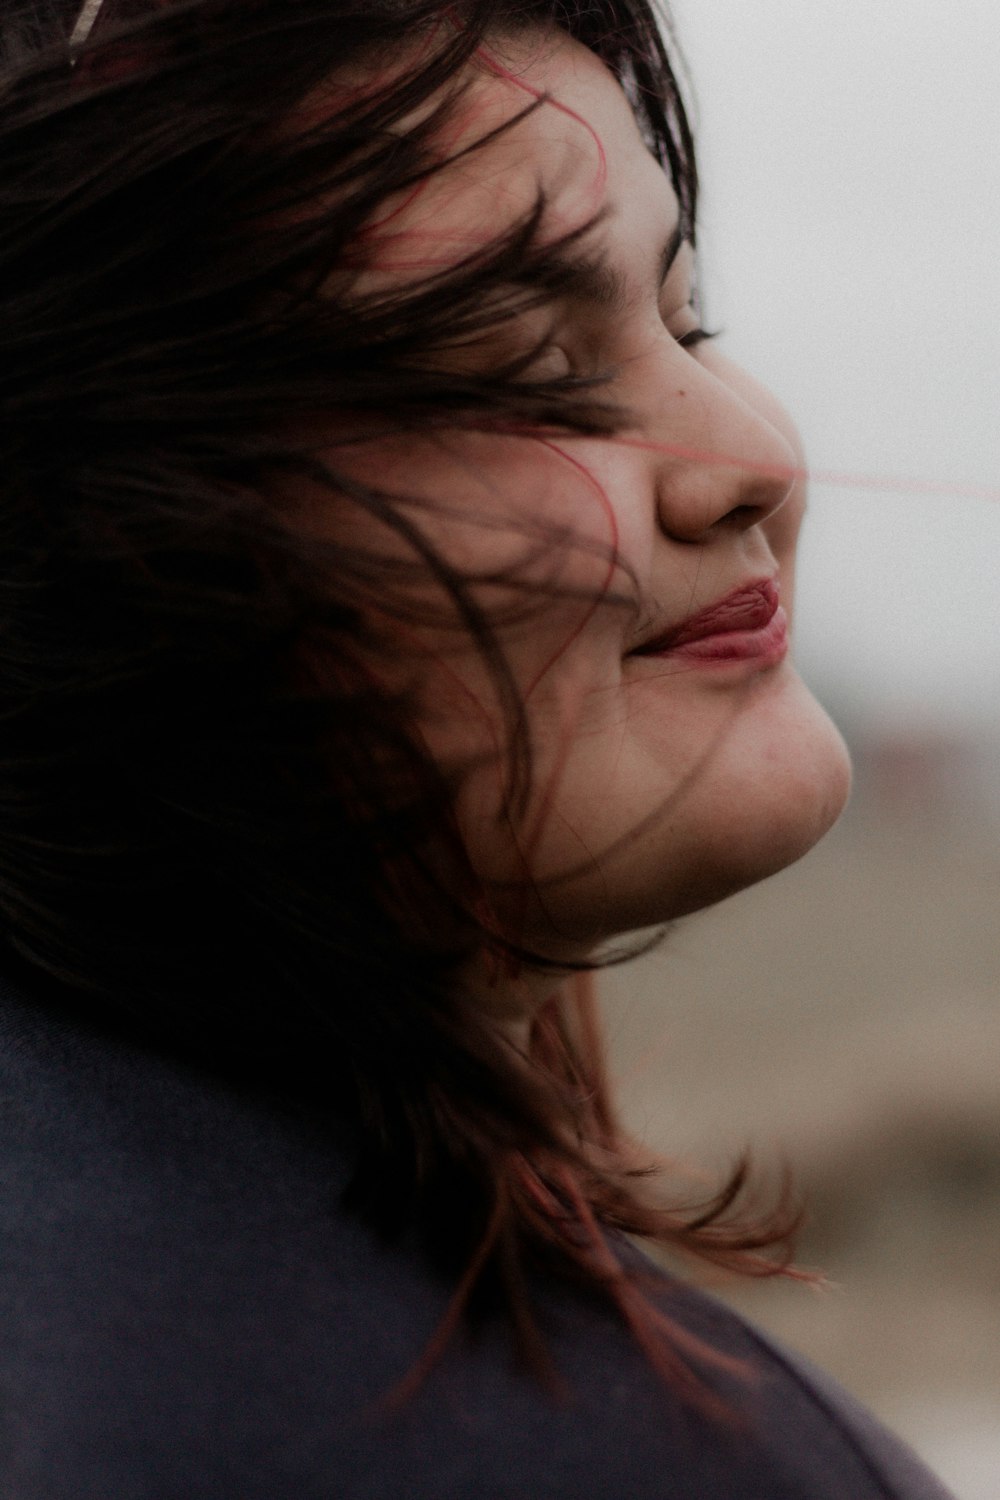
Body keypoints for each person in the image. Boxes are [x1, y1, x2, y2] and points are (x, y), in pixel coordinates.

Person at [0, 1, 955, 1495]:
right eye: (525, 367)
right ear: (102, 535)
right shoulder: (621, 1461)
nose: (754, 457)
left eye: (688, 319)